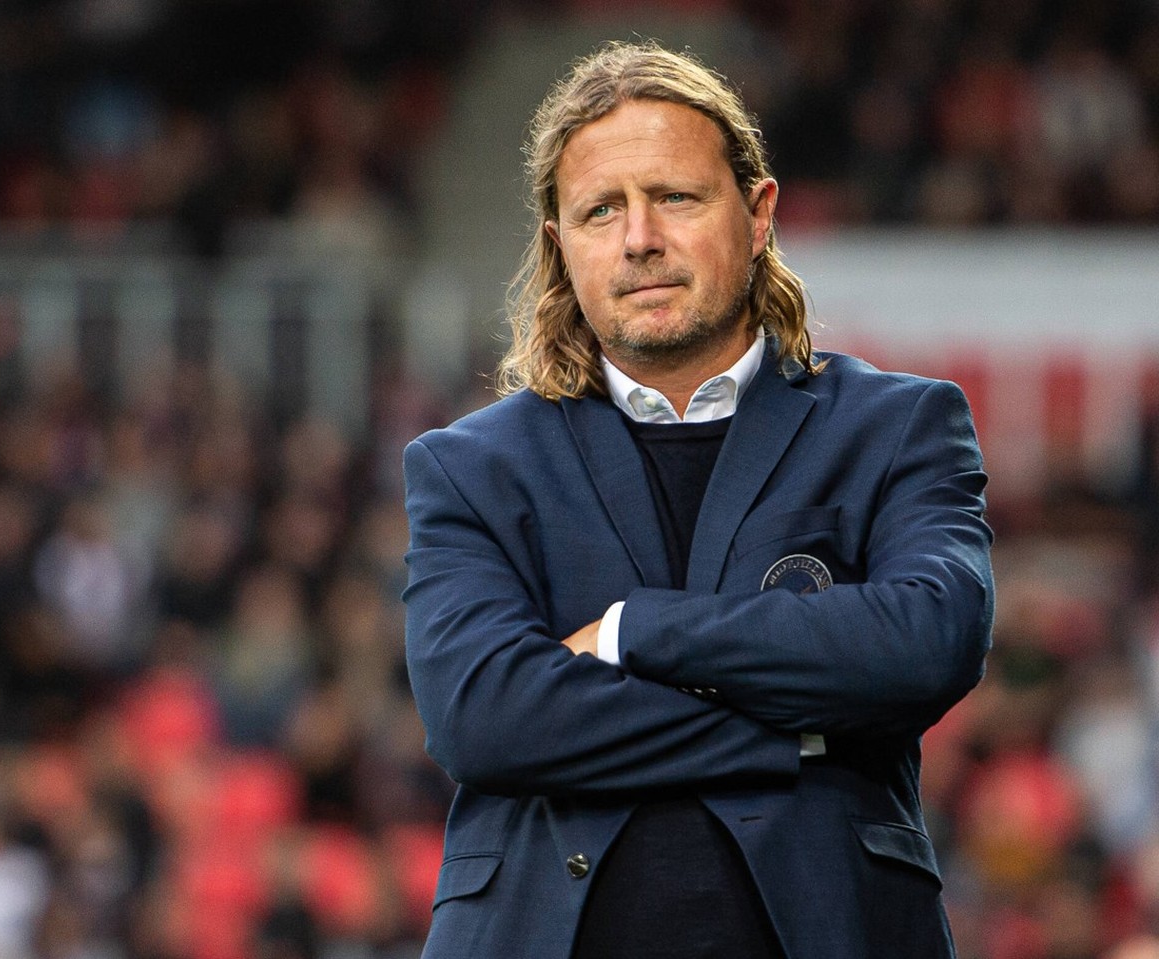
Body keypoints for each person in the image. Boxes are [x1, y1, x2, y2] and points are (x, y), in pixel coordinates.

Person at [401, 40, 994, 959]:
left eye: (675, 196)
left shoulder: (897, 425)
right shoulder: (470, 464)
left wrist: (636, 634)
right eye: (601, 210)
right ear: (561, 246)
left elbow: (930, 639)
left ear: (758, 214)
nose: (640, 238)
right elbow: (487, 718)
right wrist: (800, 731)